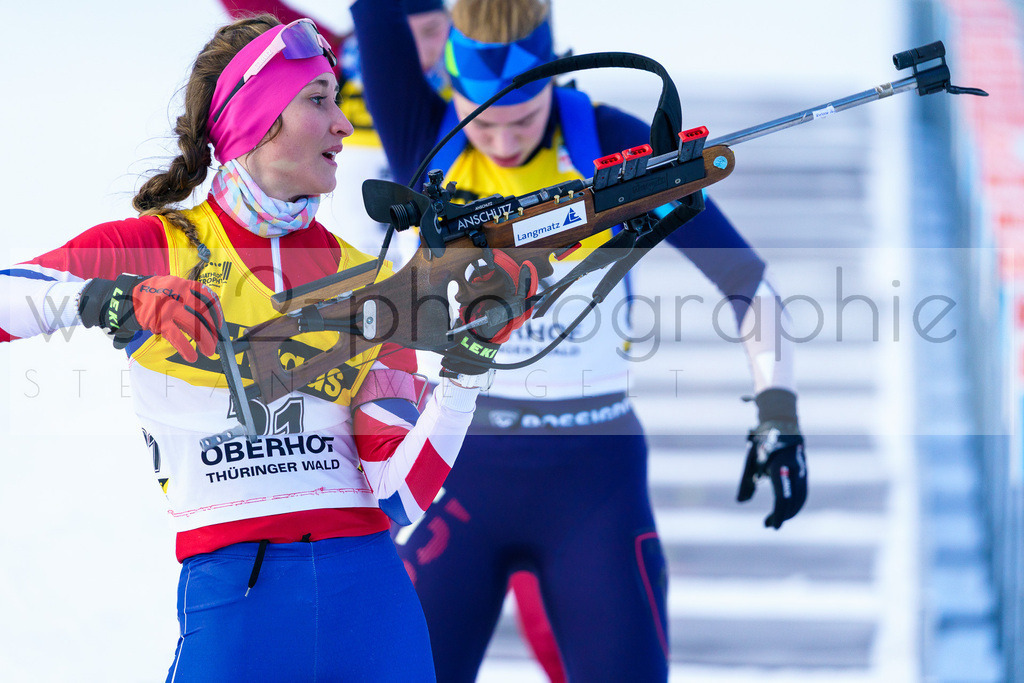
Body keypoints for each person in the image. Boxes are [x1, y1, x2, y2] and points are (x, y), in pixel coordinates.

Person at [0, 14, 533, 681]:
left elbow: (397, 496)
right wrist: (110, 298)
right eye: (318, 99)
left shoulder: (367, 279)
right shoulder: (160, 245)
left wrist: (466, 367)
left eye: (338, 100)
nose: (343, 123)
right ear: (255, 116)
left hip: (373, 605)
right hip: (237, 601)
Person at [350, 0, 809, 681]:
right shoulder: (426, 133)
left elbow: (746, 280)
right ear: (455, 92)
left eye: (525, 120)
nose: (503, 144)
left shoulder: (606, 141)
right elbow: (375, 11)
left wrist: (779, 412)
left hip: (594, 484)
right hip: (456, 473)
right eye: (490, 126)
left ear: (557, 80)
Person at [219, 0, 451, 262]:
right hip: (340, 254)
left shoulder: (467, 90)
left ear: (450, 23)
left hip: (417, 253)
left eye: (431, 31)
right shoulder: (334, 65)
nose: (416, 50)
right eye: (403, 34)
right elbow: (251, 8)